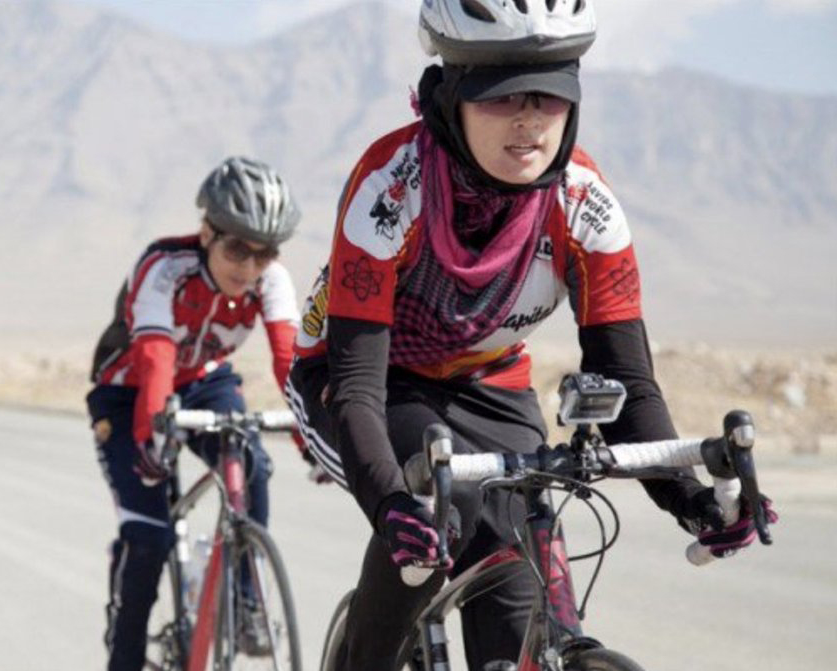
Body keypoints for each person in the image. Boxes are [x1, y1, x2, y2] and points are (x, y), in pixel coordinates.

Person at [284, 2, 779, 669]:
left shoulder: (585, 203)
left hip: (490, 384)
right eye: (500, 96)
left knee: (519, 616)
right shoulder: (390, 190)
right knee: (439, 508)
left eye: (549, 95)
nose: (528, 118)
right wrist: (393, 505)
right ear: (453, 94)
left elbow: (629, 389)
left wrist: (691, 498)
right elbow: (357, 393)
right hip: (362, 383)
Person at [87, 156, 304, 671]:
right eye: (237, 249)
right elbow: (156, 358)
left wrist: (314, 441)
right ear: (207, 232)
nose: (250, 267)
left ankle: (249, 603)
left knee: (250, 462)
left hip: (205, 381)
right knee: (149, 537)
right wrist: (151, 434)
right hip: (127, 391)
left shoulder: (271, 280)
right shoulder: (163, 268)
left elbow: (290, 361)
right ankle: (124, 655)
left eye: (265, 253)